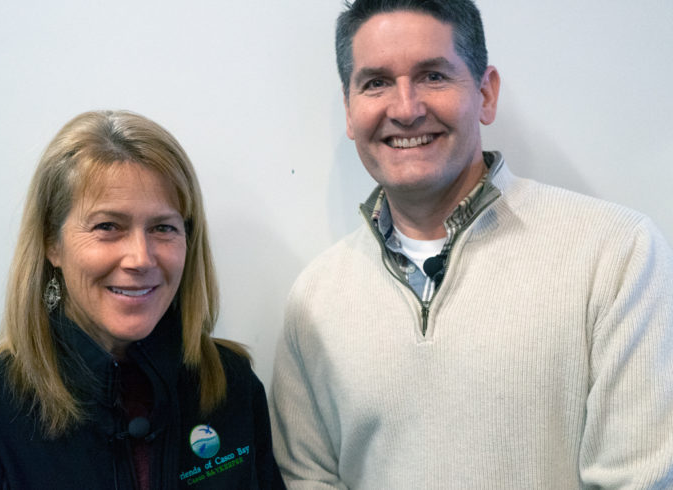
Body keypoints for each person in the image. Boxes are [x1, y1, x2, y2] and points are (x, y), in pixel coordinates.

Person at [269, 0, 673, 488]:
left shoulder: (616, 253)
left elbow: (640, 479)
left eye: (433, 76)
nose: (406, 108)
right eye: (376, 83)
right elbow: (308, 479)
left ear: (485, 93)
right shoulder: (315, 297)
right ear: (350, 111)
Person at [0, 110, 285, 489]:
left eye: (163, 227)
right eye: (108, 227)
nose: (141, 258)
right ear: (51, 242)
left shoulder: (232, 385)